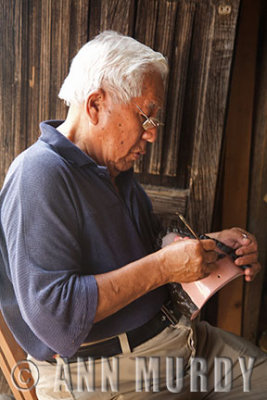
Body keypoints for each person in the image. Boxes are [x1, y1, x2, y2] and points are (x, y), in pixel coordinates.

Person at [0, 31, 266, 400]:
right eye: (146, 116)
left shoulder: (114, 170)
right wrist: (164, 267)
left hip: (177, 342)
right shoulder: (38, 174)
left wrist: (212, 248)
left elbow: (147, 249)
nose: (153, 134)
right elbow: (54, 319)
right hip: (105, 372)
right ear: (95, 105)